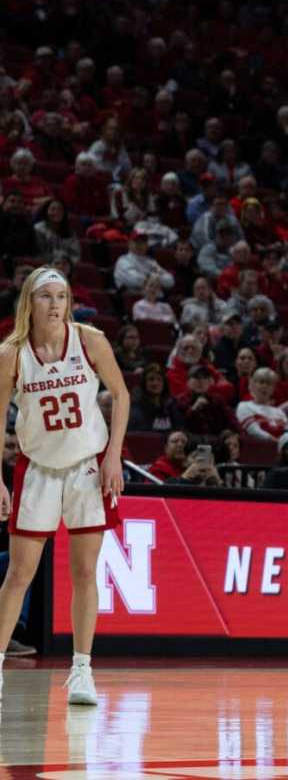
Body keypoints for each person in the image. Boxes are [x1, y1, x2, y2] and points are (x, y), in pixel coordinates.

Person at [0, 267, 128, 704]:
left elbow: (122, 395)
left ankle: (81, 671)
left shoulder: (90, 340)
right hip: (36, 468)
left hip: (86, 468)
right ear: (28, 304)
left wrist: (113, 454)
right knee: (19, 574)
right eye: (45, 296)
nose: (54, 304)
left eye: (61, 296)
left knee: (85, 571)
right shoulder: (12, 354)